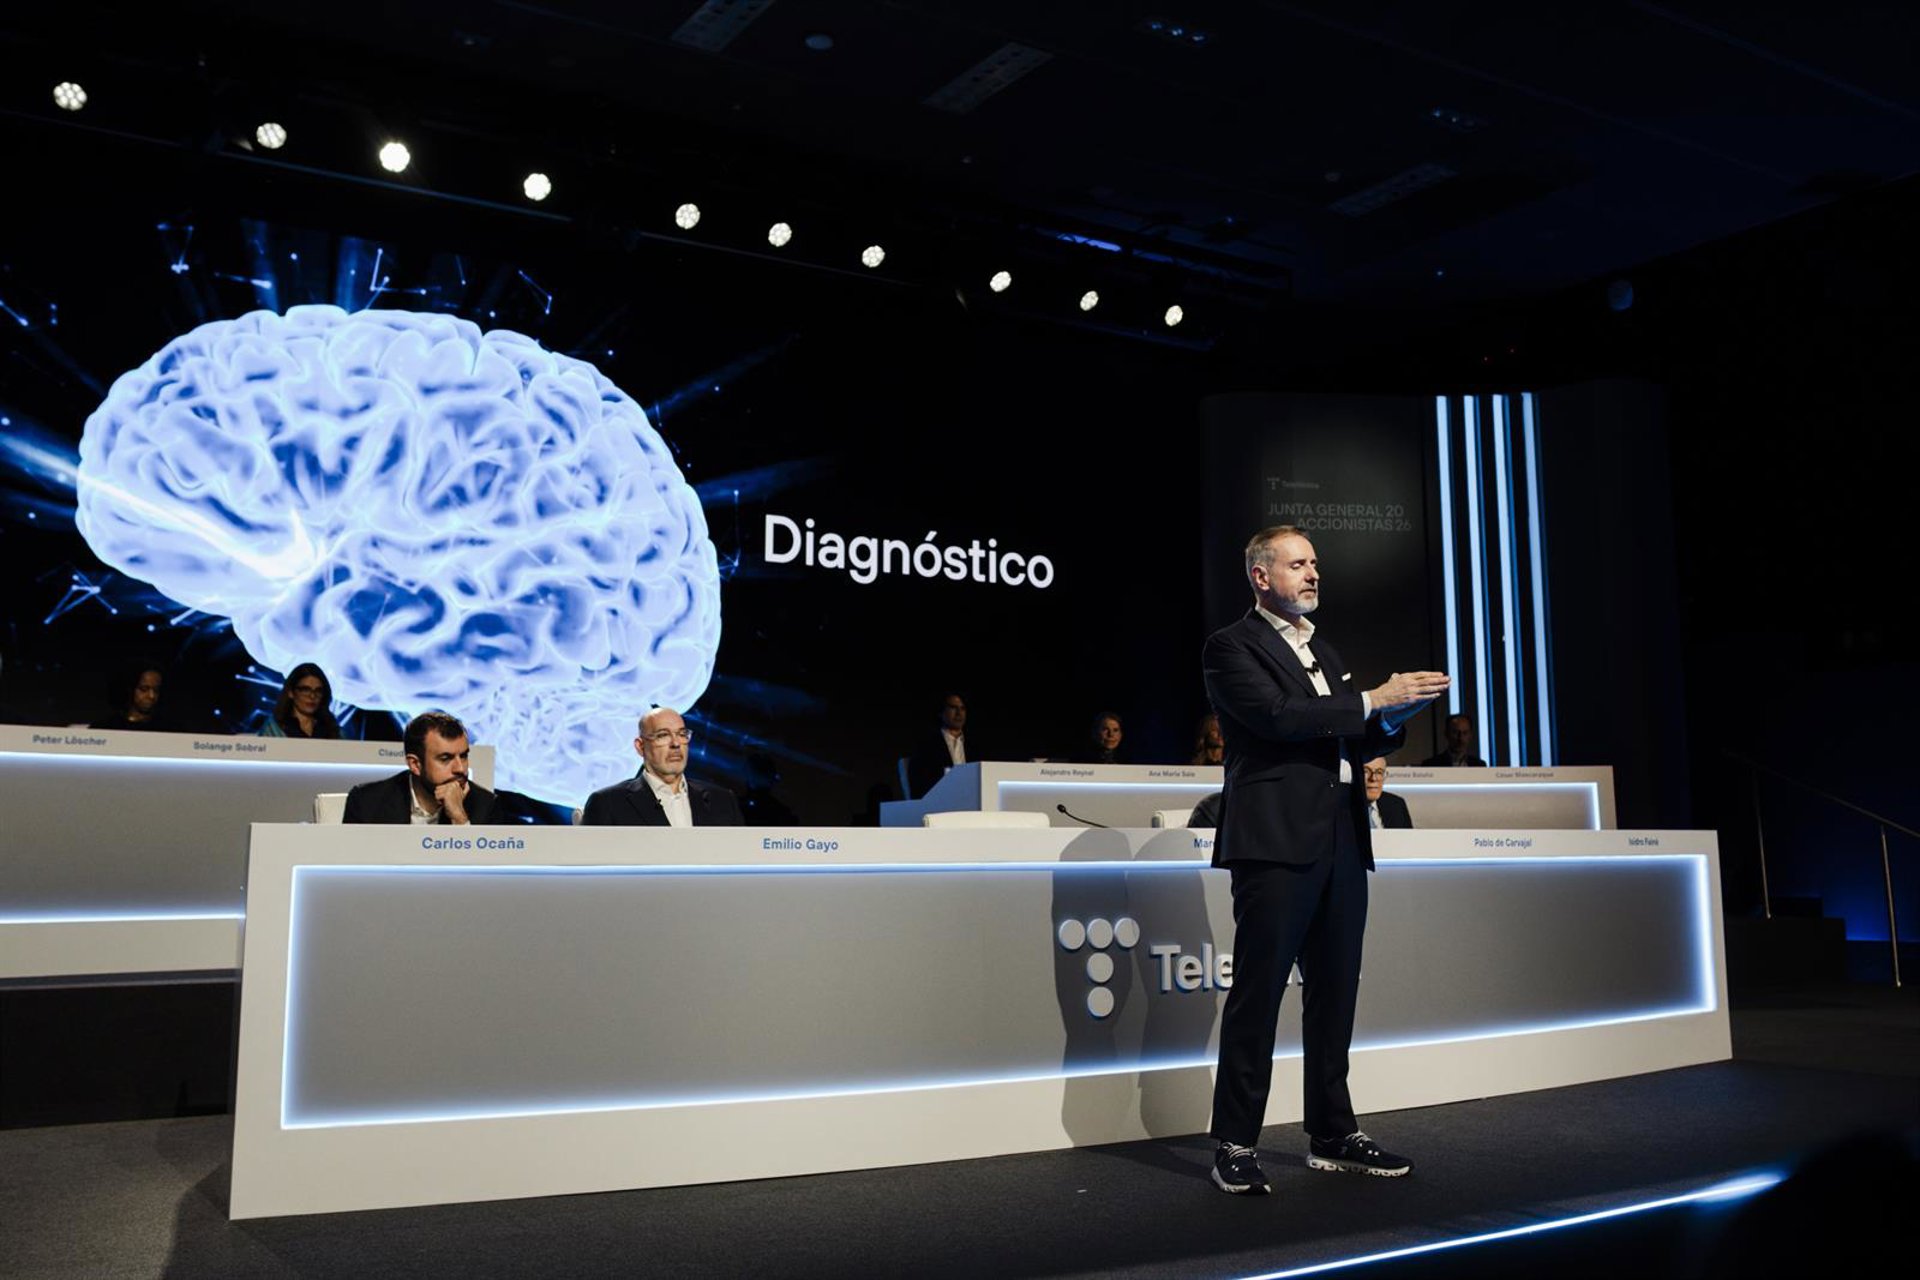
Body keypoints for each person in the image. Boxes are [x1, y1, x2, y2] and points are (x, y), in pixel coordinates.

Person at [1203, 525, 1448, 1195]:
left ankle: (1333, 1133)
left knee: (1336, 990)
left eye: (1315, 563)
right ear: (1261, 577)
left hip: (1341, 835)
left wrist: (1393, 715)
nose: (1313, 573)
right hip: (1275, 840)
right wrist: (1373, 699)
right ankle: (1235, 1142)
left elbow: (1355, 733)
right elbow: (1279, 717)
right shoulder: (1231, 646)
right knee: (1259, 994)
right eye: (1298, 564)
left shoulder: (1326, 651)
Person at [581, 707, 743, 827]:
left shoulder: (722, 801)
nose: (676, 743)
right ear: (640, 746)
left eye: (682, 734)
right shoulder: (608, 803)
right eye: (663, 735)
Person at [343, 710, 498, 824]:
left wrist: (459, 818)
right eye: (445, 759)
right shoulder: (366, 801)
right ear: (415, 764)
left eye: (463, 756)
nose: (460, 768)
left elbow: (482, 860)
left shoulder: (485, 805)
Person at [906, 692, 973, 799]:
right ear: (941, 713)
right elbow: (919, 783)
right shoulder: (927, 745)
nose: (959, 713)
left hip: (971, 799)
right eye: (953, 707)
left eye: (962, 708)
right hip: (941, 800)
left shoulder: (974, 745)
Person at [91, 662, 182, 732]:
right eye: (144, 689)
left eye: (156, 690)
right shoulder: (105, 728)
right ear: (129, 689)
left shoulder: (170, 729)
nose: (152, 696)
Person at [259, 663, 341, 739]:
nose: (312, 696)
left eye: (318, 691)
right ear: (291, 692)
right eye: (305, 690)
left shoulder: (333, 730)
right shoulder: (273, 729)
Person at [1363, 757, 1413, 830]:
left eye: (1379, 772)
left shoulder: (1396, 804)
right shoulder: (1344, 808)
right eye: (1365, 771)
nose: (1373, 778)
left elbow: (1409, 837)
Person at [1421, 714, 1487, 767]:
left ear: (1470, 735)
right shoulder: (1431, 765)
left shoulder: (1479, 765)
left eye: (1465, 733)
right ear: (1446, 734)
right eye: (1455, 732)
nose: (1460, 737)